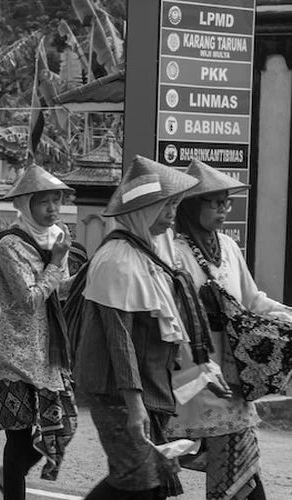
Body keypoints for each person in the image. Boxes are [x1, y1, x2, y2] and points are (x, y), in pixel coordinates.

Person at [75, 155, 217, 499]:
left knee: (153, 481)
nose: (172, 214)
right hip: (118, 390)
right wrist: (134, 405)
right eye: (165, 206)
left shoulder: (148, 254)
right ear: (144, 211)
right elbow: (119, 342)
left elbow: (170, 325)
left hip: (148, 386)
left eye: (173, 205)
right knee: (137, 479)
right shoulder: (117, 260)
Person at [165, 160, 288, 500]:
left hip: (233, 377)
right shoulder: (173, 255)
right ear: (193, 205)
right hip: (197, 377)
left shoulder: (230, 248)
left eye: (226, 202)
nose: (223, 209)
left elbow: (252, 300)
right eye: (215, 202)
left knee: (239, 468)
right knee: (237, 465)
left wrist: (286, 316)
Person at [0, 165, 78, 499]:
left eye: (57, 200)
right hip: (12, 352)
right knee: (19, 435)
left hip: (48, 349)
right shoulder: (10, 246)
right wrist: (56, 262)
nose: (53, 208)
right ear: (25, 204)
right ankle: (13, 487)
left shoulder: (57, 237)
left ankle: (9, 475)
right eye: (44, 202)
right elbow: (29, 299)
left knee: (64, 422)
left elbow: (58, 291)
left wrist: (82, 279)